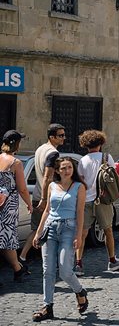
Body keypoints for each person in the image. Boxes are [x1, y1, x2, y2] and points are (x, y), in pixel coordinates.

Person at [32, 157, 88, 321]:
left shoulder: (79, 187)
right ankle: (47, 306)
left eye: (69, 167)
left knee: (64, 270)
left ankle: (79, 290)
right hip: (50, 229)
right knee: (47, 270)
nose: (67, 171)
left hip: (68, 229)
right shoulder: (51, 186)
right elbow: (47, 210)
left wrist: (78, 235)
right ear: (57, 170)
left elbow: (80, 212)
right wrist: (38, 232)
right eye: (63, 168)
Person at [75, 130, 119, 275]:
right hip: (102, 200)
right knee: (108, 230)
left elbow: (81, 181)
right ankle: (112, 260)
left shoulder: (83, 160)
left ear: (85, 145)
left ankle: (78, 264)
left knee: (82, 233)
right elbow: (113, 176)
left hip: (87, 200)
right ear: (100, 143)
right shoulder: (106, 157)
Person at [20, 123, 66, 263]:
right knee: (54, 230)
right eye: (60, 136)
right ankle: (53, 260)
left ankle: (22, 257)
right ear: (52, 137)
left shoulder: (40, 149)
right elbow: (48, 176)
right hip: (46, 197)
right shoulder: (53, 153)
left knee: (36, 229)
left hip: (37, 193)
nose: (64, 138)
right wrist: (45, 199)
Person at [0, 130, 33, 281]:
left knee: (5, 239)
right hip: (9, 204)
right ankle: (18, 269)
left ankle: (18, 268)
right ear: (17, 144)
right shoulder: (16, 163)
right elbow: (22, 188)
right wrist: (29, 204)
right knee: (7, 238)